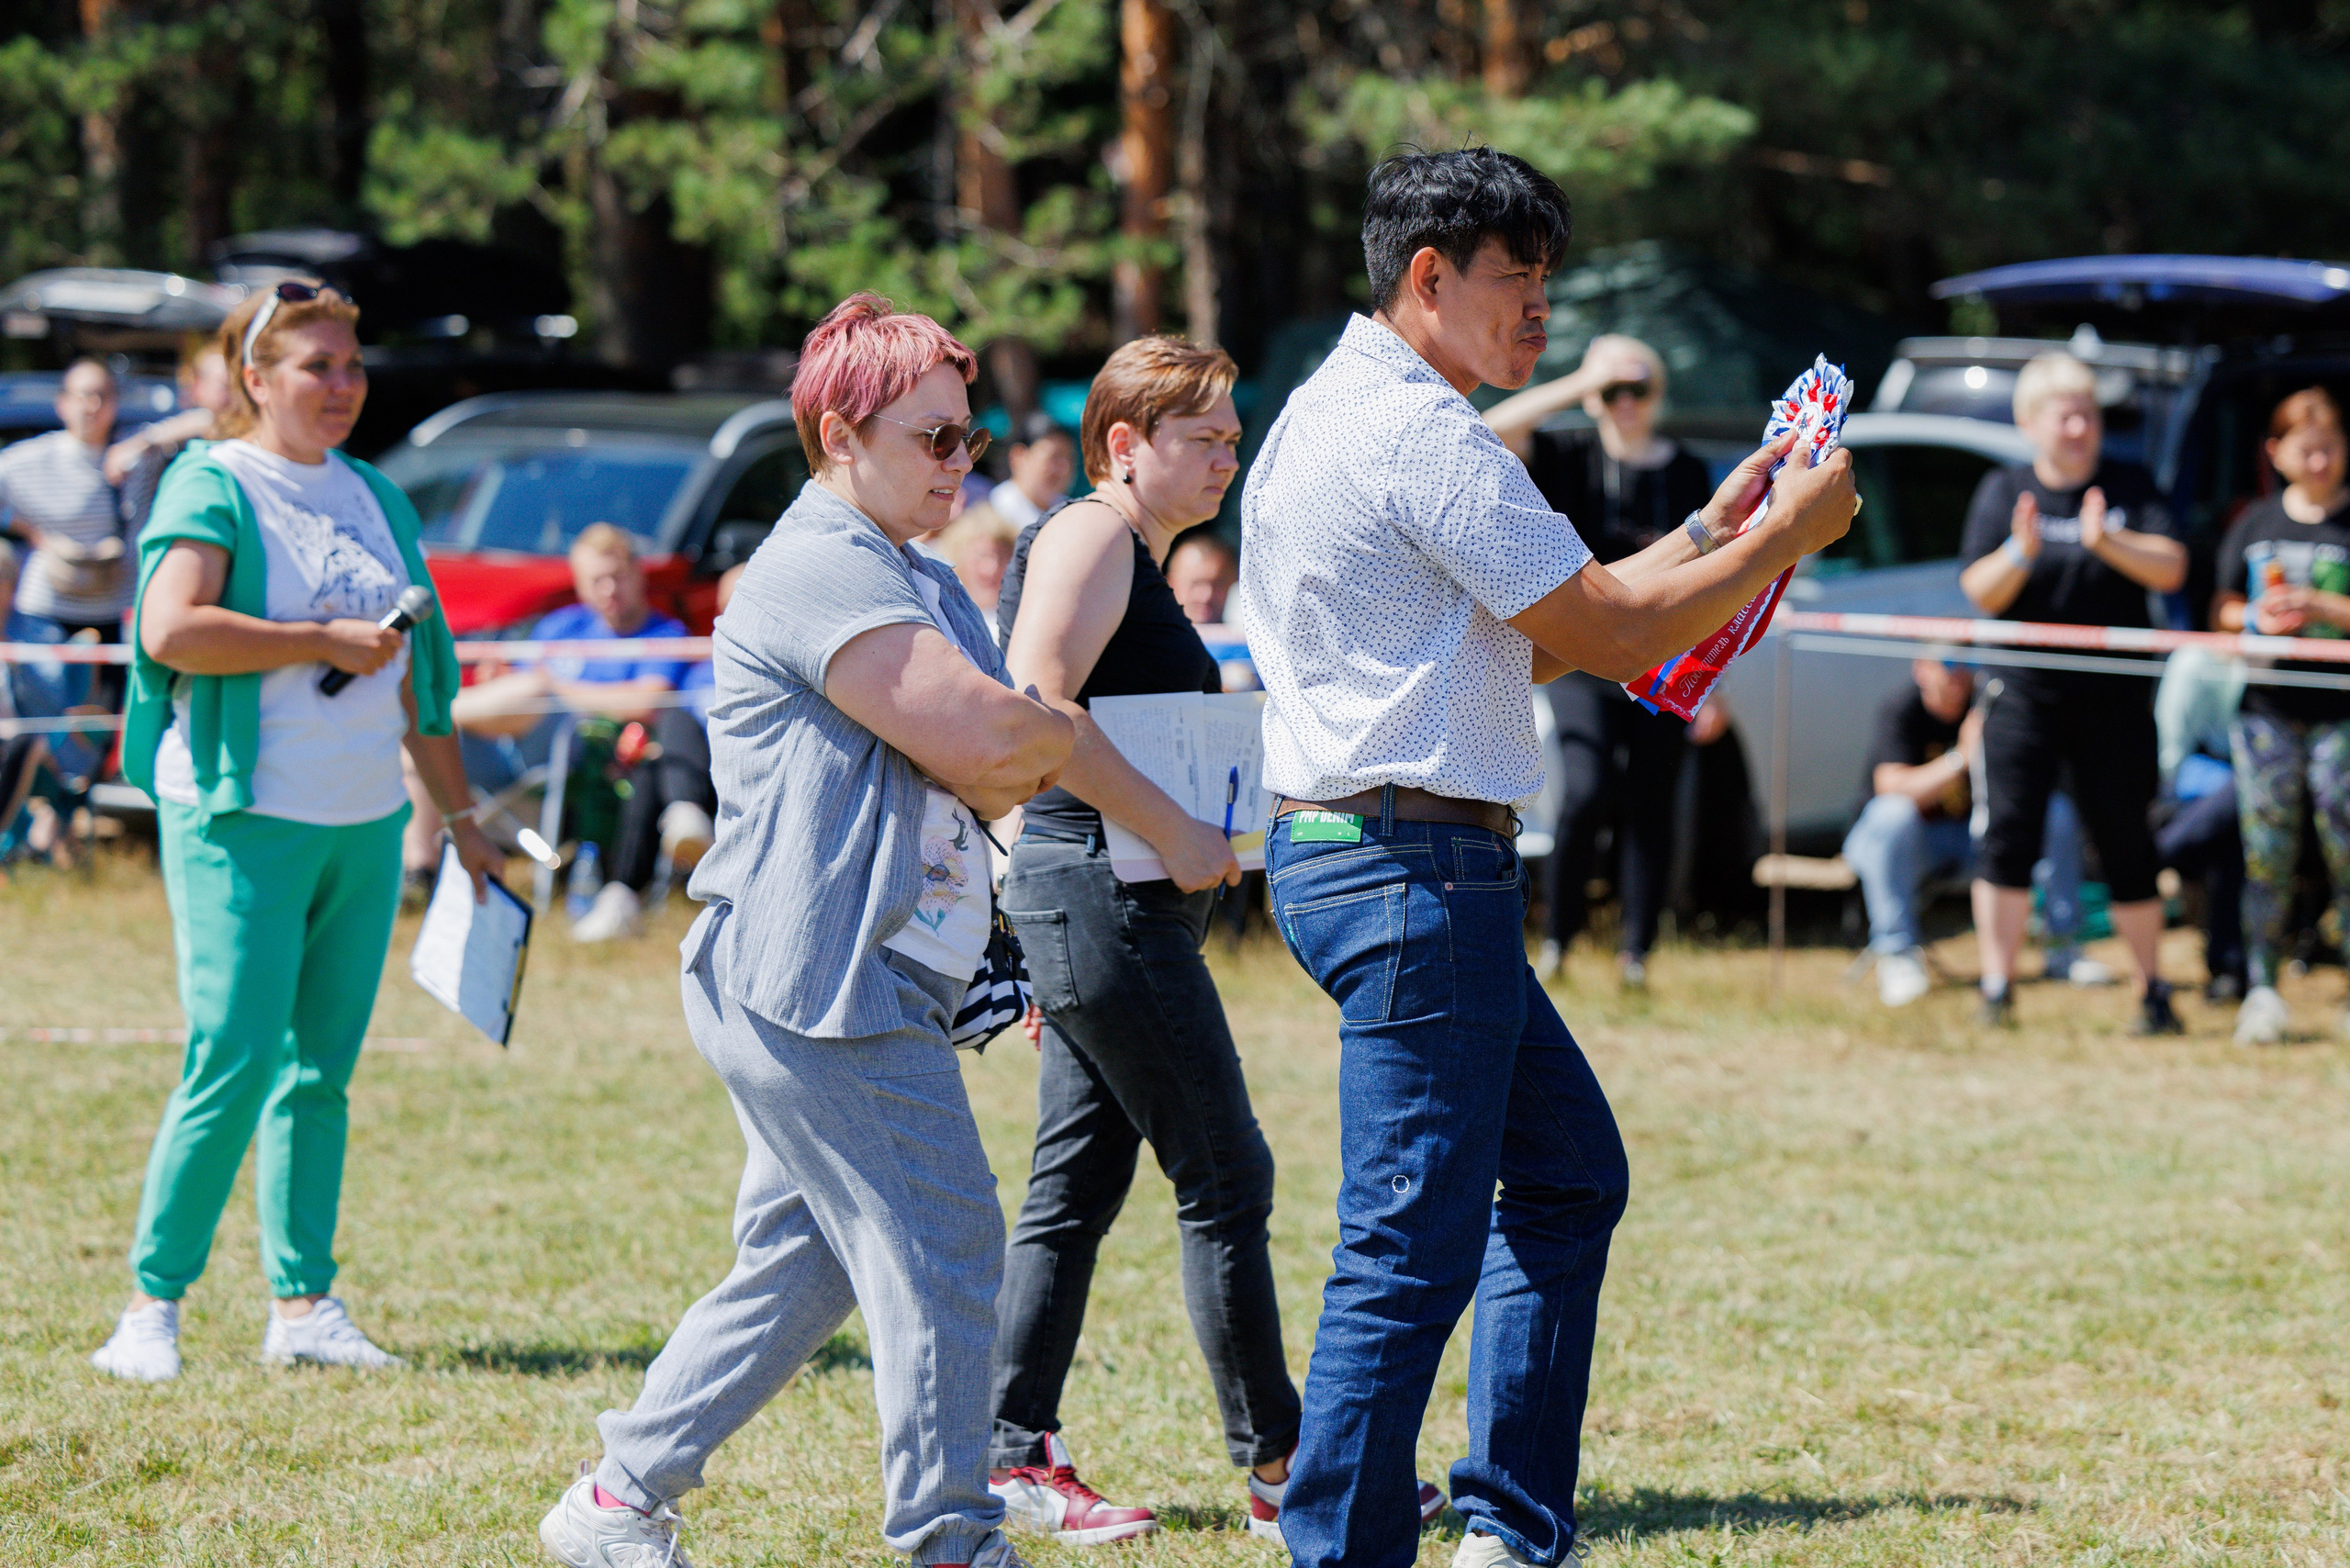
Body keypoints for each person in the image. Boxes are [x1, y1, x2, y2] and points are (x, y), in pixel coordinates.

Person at [1238, 148, 1854, 1568]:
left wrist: (1719, 524)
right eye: (1518, 281)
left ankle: (1506, 1524)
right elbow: (1612, 635)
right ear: (1429, 278)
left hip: (1381, 860)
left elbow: (1580, 599)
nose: (1542, 316)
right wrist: (1787, 541)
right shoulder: (1423, 436)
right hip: (1413, 871)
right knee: (1406, 1249)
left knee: (1566, 1177)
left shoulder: (1344, 411)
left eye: (1546, 283)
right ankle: (1342, 1543)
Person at [533, 294, 1072, 1568]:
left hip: (860, 970)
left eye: (971, 439)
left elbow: (999, 763)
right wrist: (1040, 729)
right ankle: (952, 1539)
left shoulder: (921, 575)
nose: (962, 463)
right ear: (840, 432)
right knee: (946, 1240)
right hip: (816, 977)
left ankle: (616, 1501)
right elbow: (997, 743)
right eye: (934, 438)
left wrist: (1024, 735)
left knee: (810, 1260)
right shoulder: (820, 561)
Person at [86, 280, 502, 1383]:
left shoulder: (373, 492)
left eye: (351, 365)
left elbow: (426, 675)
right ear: (253, 378)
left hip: (362, 817)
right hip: (240, 811)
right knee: (229, 1054)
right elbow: (171, 628)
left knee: (320, 1070)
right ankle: (151, 1306)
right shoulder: (213, 480)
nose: (341, 385)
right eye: (315, 366)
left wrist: (461, 817)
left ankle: (303, 1303)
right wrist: (313, 633)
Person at [989, 336, 1346, 1547]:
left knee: (1074, 1190)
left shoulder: (1126, 549)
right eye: (1204, 440)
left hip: (1091, 899)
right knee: (1227, 1176)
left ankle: (1008, 1453)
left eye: (1234, 439)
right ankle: (1285, 1471)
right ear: (1124, 443)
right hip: (1104, 893)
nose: (1226, 461)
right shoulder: (1092, 536)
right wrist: (1177, 828)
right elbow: (1036, 704)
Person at [1957, 351, 2188, 1033]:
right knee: (2007, 839)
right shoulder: (2005, 490)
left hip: (2113, 697)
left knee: (2127, 845)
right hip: (2023, 693)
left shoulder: (2131, 485)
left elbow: (2173, 569)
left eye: (2088, 413)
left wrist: (2109, 541)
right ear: (2031, 423)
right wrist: (2021, 553)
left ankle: (2153, 991)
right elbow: (1979, 591)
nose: (2081, 426)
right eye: (2067, 414)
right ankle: (1998, 989)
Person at [1486, 334, 1714, 986]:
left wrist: (1712, 678)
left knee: (1652, 801)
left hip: (1665, 657)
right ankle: (1560, 936)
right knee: (1584, 792)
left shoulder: (1687, 470)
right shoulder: (1568, 452)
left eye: (1636, 389)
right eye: (1612, 392)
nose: (1625, 404)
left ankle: (1636, 951)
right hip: (1579, 655)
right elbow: (1491, 429)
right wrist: (1577, 382)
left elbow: (1710, 574)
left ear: (1658, 394)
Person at [399, 523, 692, 890]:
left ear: (638, 574)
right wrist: (503, 681)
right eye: (596, 580)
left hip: (584, 758)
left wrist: (555, 688)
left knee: (507, 699)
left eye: (618, 577)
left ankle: (428, 714)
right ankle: (419, 867)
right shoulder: (561, 625)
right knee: (438, 738)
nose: (609, 590)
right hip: (511, 748)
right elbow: (519, 691)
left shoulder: (664, 634)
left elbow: (648, 701)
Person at [2211, 386, 2350, 1044]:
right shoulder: (2255, 521)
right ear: (2277, 453)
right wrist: (2256, 618)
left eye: (2330, 448)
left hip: (2341, 714)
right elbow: (2222, 609)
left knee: (2344, 849)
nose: (2320, 461)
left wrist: (2326, 611)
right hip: (2266, 710)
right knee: (2266, 854)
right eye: (2306, 449)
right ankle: (2262, 990)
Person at [580, 564, 744, 942]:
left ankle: (622, 896)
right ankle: (622, 893)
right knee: (653, 760)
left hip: (746, 773)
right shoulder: (703, 667)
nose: (727, 617)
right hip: (695, 772)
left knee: (670, 724)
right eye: (724, 607)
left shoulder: (785, 667)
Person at [0, 357, 166, 710]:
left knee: (106, 723)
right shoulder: (29, 459)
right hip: (48, 608)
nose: (92, 406)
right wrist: (29, 531)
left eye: (102, 395)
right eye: (83, 395)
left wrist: (144, 441)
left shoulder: (140, 457)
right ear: (63, 403)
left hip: (117, 609)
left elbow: (210, 417)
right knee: (46, 719)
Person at [1842, 660, 1983, 1006]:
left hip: (1969, 838)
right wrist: (1961, 758)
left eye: (1967, 664)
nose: (1957, 675)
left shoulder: (1984, 705)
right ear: (1922, 669)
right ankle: (1897, 954)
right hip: (1893, 844)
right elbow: (1891, 787)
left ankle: (2063, 948)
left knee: (2055, 813)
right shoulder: (1901, 706)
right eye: (1948, 664)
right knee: (1894, 814)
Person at [105, 339, 236, 483]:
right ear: (199, 384)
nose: (233, 394)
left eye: (236, 385)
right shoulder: (173, 417)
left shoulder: (232, 425)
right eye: (224, 385)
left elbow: (205, 420)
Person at [934, 503, 1021, 633]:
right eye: (982, 557)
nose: (992, 568)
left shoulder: (1021, 621)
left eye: (1002, 558)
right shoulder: (937, 612)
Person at [988, 412, 1077, 531]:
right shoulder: (995, 511)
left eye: (1069, 459)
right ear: (1019, 456)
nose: (1064, 468)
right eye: (1054, 458)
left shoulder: (1071, 511)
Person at [1163, 528, 1238, 625]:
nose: (1206, 596)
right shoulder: (1146, 637)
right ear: (1170, 585)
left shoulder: (1251, 637)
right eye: (1196, 584)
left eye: (1218, 584)